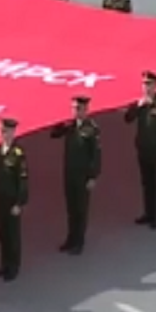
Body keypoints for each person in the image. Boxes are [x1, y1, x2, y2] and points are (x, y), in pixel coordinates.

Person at [50, 95, 101, 254]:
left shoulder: (91, 129)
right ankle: (70, 239)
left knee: (81, 209)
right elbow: (54, 134)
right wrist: (61, 121)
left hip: (82, 176)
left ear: (85, 109)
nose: (75, 111)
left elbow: (96, 155)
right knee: (71, 209)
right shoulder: (70, 126)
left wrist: (92, 176)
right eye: (73, 108)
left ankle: (79, 242)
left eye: (78, 108)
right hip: (69, 173)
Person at [125, 71, 156, 229]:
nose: (146, 87)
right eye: (144, 84)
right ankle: (147, 212)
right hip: (143, 149)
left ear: (155, 86)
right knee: (146, 183)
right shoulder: (140, 104)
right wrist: (137, 106)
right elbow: (128, 119)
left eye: (149, 84)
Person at [0, 118, 28, 281]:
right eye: (1, 131)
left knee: (12, 234)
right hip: (0, 197)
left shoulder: (17, 154)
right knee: (2, 233)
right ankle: (4, 264)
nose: (2, 134)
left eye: (5, 131)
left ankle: (13, 267)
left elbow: (22, 180)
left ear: (12, 133)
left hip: (12, 199)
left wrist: (19, 203)